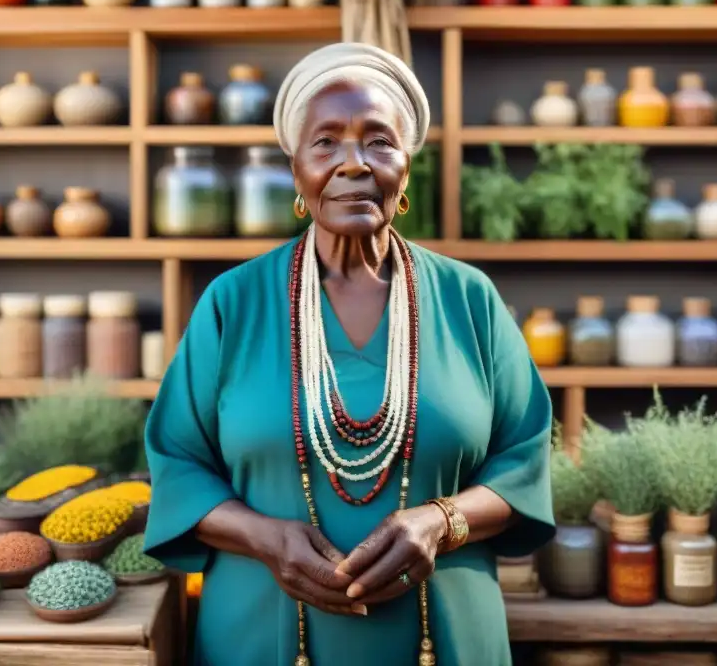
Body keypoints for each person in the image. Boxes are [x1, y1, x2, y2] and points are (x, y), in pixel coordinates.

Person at [143, 42, 554, 666]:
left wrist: (441, 522)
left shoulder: (468, 299)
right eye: (326, 142)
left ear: (407, 167)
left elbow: (523, 463)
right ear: (296, 170)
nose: (354, 163)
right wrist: (266, 538)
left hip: (442, 636)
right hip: (263, 634)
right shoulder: (236, 301)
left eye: (379, 141)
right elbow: (177, 464)